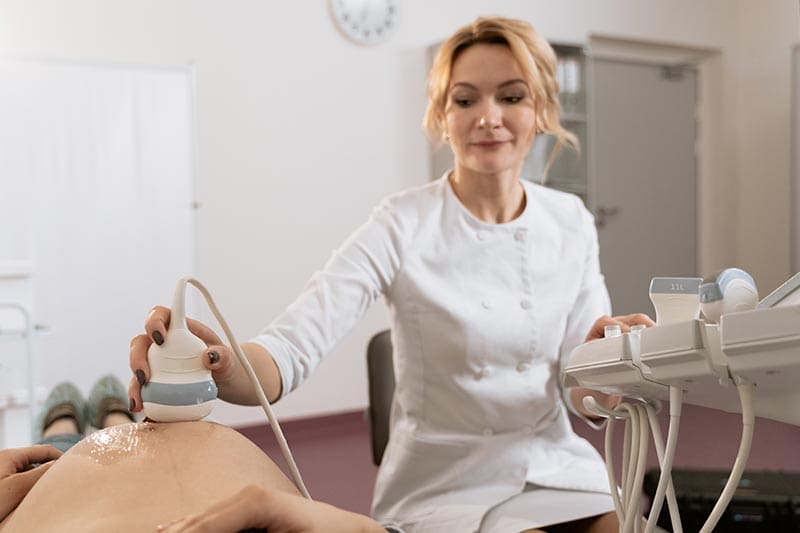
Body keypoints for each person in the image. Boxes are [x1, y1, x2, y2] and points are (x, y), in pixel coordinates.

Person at [129, 15, 653, 533]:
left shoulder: (570, 221)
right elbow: (290, 348)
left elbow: (583, 392)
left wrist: (611, 367)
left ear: (540, 109)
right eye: (466, 100)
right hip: (447, 485)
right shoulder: (403, 223)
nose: (488, 117)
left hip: (556, 469)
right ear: (441, 116)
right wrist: (217, 364)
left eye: (511, 97)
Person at [0, 421, 386, 532]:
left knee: (55, 448)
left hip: (58, 488)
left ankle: (63, 424)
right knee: (108, 429)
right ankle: (115, 416)